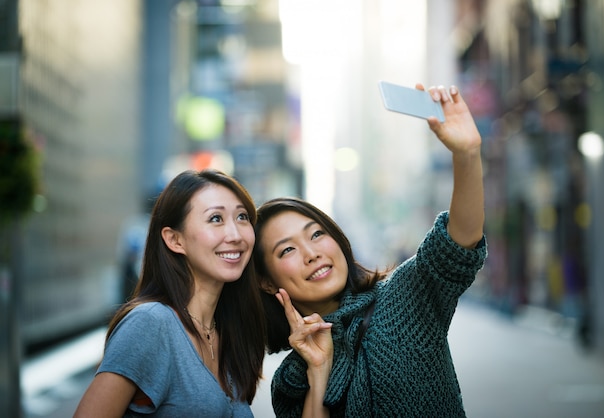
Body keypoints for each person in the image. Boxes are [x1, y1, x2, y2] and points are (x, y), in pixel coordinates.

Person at [253, 84, 487, 417]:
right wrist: (318, 370)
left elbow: (457, 246)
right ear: (265, 281)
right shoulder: (291, 378)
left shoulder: (403, 298)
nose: (311, 253)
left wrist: (466, 154)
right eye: (287, 250)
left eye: (317, 234)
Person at [74, 169, 266, 418]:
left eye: (242, 217)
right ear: (175, 240)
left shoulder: (227, 331)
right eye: (216, 219)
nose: (236, 234)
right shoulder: (150, 323)